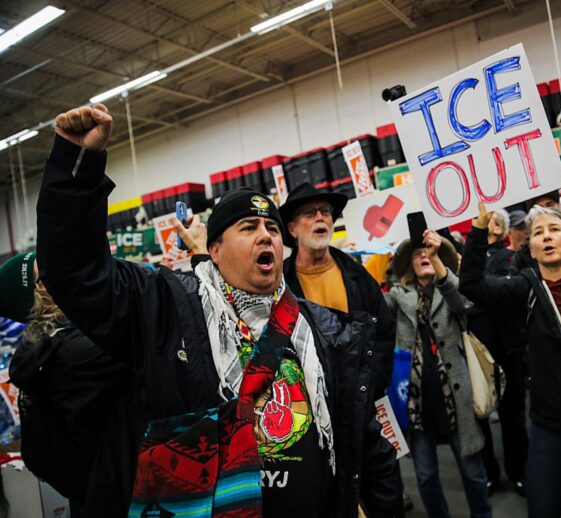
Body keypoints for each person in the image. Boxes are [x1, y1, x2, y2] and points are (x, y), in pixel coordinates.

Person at [35, 103, 402, 517]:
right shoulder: (169, 307)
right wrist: (76, 167)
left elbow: (365, 442)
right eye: (248, 228)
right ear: (214, 251)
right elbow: (77, 273)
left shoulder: (324, 328)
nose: (266, 235)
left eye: (273, 230)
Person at [460, 203, 561, 518]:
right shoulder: (524, 288)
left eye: (555, 230)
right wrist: (479, 230)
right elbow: (472, 286)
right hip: (550, 426)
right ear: (531, 248)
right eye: (538, 233)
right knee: (541, 507)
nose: (547, 237)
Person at [1, 252, 137, 517]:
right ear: (38, 297)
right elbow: (153, 334)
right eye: (52, 271)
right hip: (125, 500)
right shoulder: (74, 353)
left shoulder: (53, 347)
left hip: (104, 497)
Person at [385, 230, 492, 518]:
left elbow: (463, 302)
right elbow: (376, 311)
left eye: (429, 253)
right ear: (408, 264)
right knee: (426, 476)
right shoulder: (397, 296)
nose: (423, 256)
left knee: (473, 473)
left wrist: (442, 266)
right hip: (416, 402)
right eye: (417, 254)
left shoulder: (451, 289)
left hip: (457, 398)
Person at [279, 182, 395, 396]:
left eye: (325, 211)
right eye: (309, 213)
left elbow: (384, 330)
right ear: (292, 229)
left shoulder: (358, 276)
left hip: (360, 397)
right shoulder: (280, 286)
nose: (320, 217)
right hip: (311, 402)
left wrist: (372, 383)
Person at [466, 209, 527, 495]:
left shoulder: (508, 259)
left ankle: (519, 472)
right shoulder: (472, 255)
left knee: (513, 417)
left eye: (489, 218)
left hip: (508, 349)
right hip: (479, 350)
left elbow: (485, 292)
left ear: (499, 227)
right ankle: (490, 473)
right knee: (482, 414)